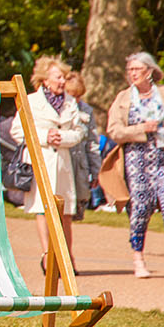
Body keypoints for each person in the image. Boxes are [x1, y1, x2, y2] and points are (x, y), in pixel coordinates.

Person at [107, 52, 164, 279]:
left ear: (149, 71)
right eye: (130, 70)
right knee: (140, 210)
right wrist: (140, 129)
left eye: (136, 69)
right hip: (136, 161)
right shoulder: (124, 98)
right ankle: (138, 260)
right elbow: (114, 131)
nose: (132, 74)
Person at [11, 57, 83, 269]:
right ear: (45, 80)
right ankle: (47, 257)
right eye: (58, 77)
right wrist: (44, 137)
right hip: (42, 161)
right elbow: (17, 130)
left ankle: (67, 259)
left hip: (63, 163)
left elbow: (80, 132)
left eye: (64, 77)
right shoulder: (32, 101)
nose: (62, 81)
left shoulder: (71, 102)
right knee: (43, 210)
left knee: (65, 212)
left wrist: (63, 138)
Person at [65, 72, 102, 220]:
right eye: (72, 95)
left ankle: (65, 243)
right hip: (63, 163)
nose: (76, 100)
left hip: (79, 166)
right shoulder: (58, 109)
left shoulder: (86, 110)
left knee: (74, 213)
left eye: (79, 96)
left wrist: (96, 170)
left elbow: (92, 143)